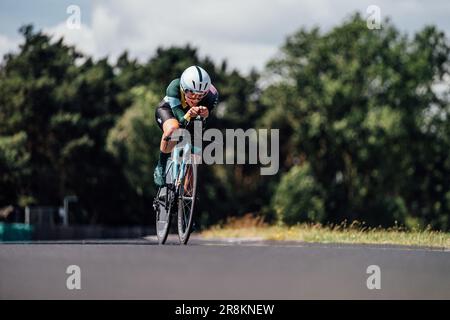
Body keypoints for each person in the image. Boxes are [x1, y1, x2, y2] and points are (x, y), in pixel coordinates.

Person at [153, 65, 219, 186]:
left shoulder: (212, 95)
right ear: (183, 89)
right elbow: (180, 120)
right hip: (170, 111)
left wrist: (206, 113)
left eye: (200, 95)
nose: (195, 99)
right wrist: (188, 114)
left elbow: (203, 120)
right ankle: (161, 166)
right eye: (192, 94)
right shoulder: (174, 87)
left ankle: (184, 197)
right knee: (174, 129)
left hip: (195, 118)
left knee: (196, 156)